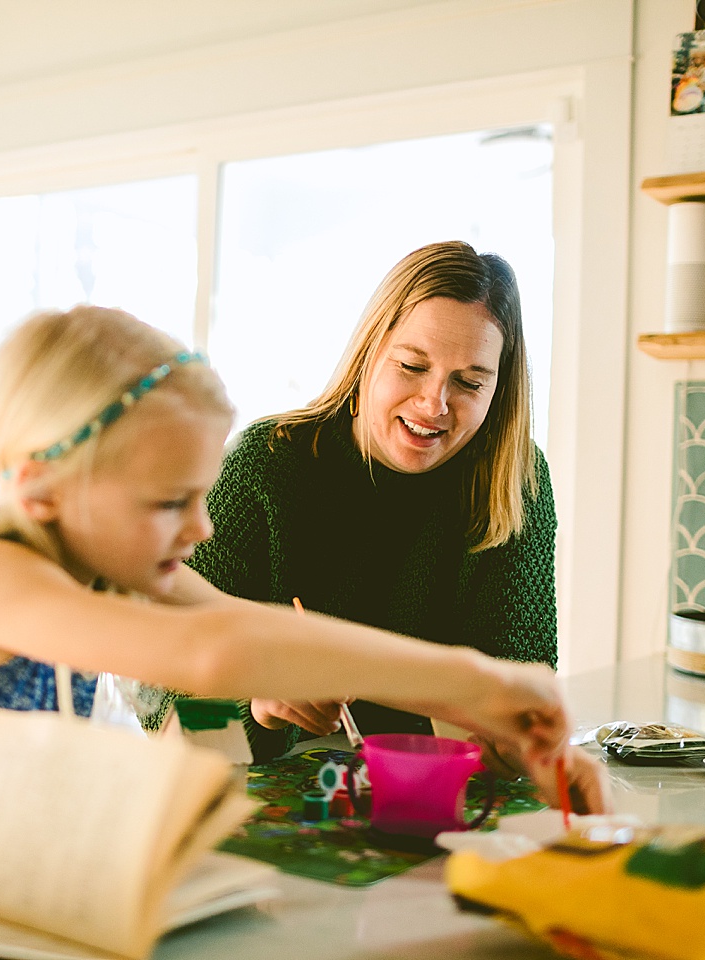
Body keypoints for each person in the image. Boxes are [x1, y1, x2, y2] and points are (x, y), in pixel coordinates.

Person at [0, 306, 593, 860]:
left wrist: (499, 716)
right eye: (171, 502)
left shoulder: (93, 561)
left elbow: (273, 635)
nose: (201, 528)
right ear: (40, 488)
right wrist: (485, 677)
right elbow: (214, 651)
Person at [187, 241, 601, 803]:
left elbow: (519, 681)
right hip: (271, 800)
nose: (435, 404)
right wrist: (257, 700)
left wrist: (524, 740)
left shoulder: (515, 479)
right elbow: (170, 684)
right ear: (368, 354)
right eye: (411, 366)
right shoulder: (267, 462)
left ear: (499, 389)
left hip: (438, 798)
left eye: (470, 382)